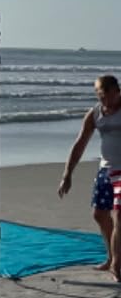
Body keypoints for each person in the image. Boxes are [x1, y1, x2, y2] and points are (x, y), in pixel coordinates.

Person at [58, 74, 121, 276]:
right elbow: (80, 143)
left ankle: (117, 264)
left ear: (117, 91)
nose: (103, 100)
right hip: (106, 169)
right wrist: (67, 174)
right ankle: (110, 257)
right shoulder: (95, 113)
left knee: (119, 215)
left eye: (106, 95)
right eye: (99, 96)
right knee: (99, 214)